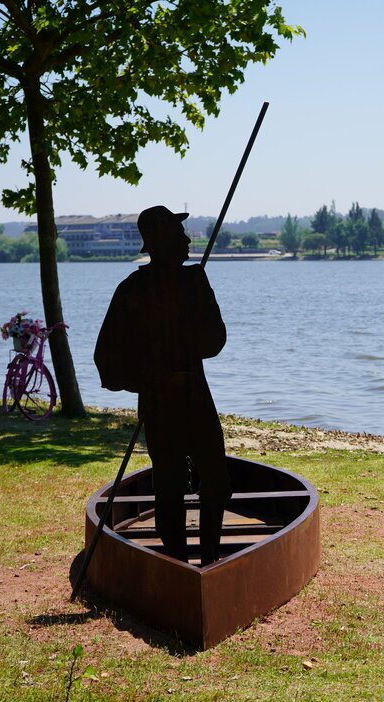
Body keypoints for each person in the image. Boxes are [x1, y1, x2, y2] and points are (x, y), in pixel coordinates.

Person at [94, 205, 230, 565]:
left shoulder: (194, 281)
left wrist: (192, 318)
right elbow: (106, 358)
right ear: (161, 240)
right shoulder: (133, 289)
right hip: (161, 401)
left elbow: (215, 341)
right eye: (178, 232)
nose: (187, 240)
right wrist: (146, 381)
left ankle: (210, 559)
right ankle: (177, 564)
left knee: (215, 479)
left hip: (195, 396)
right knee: (169, 486)